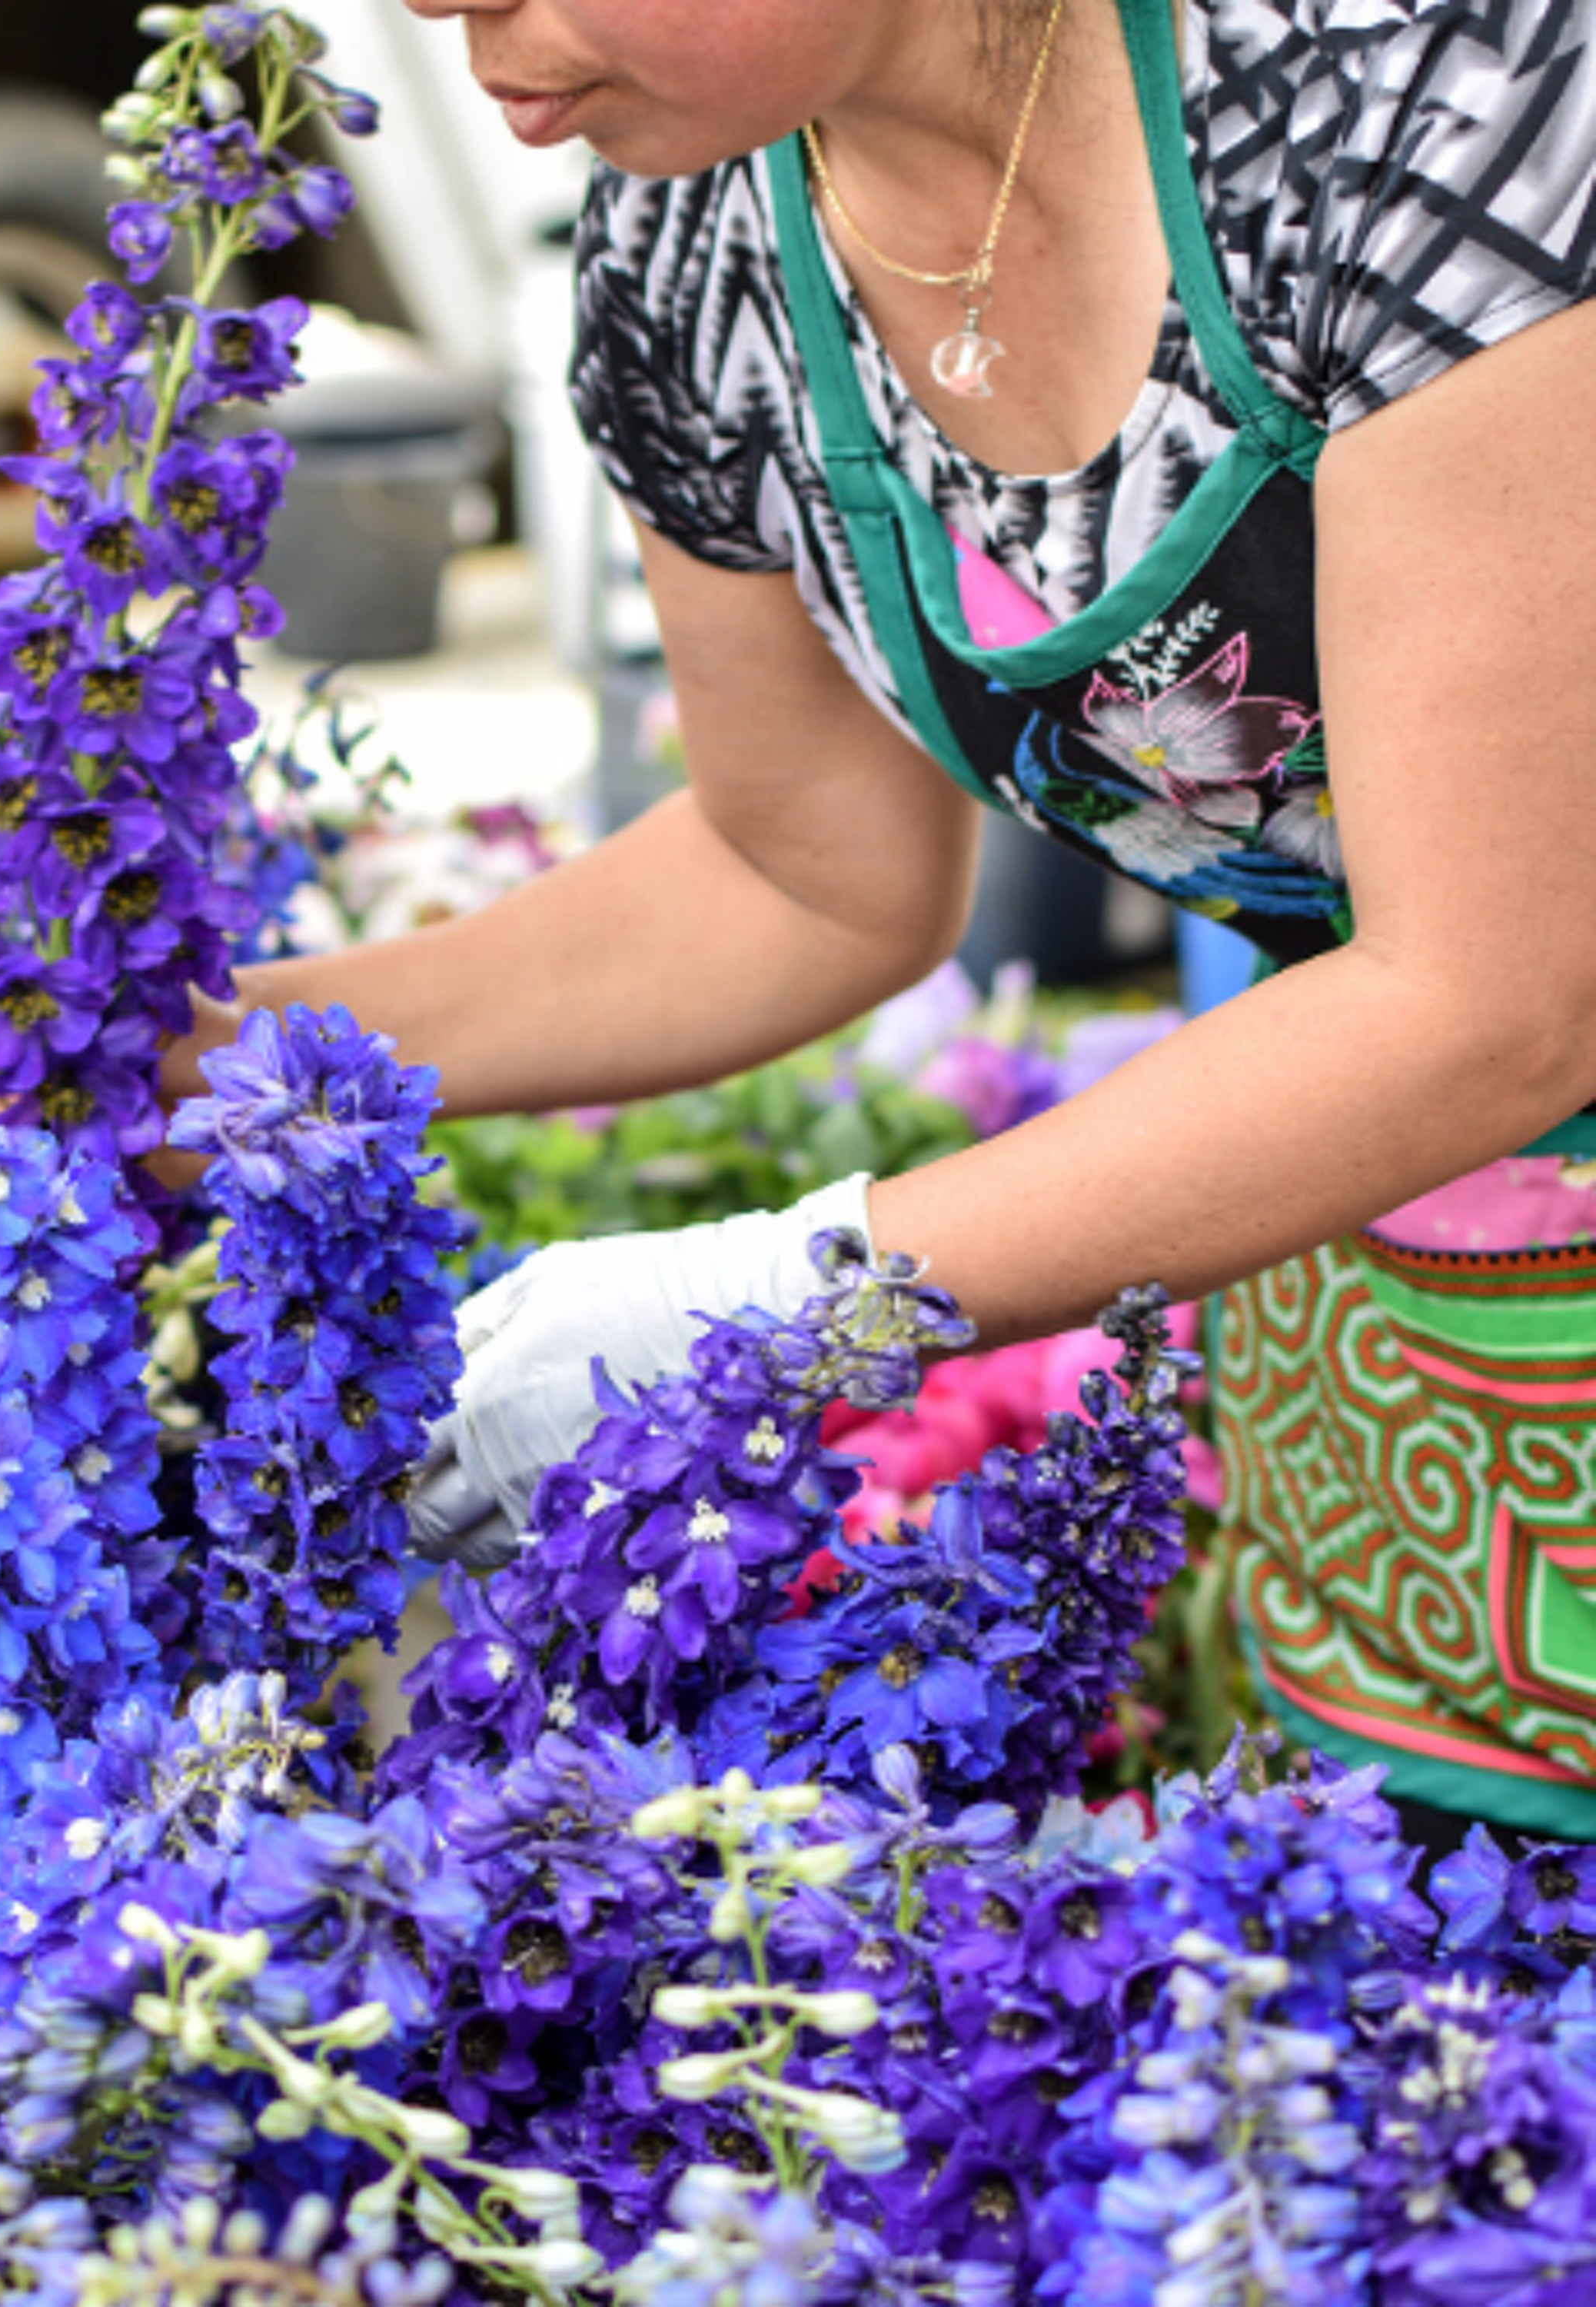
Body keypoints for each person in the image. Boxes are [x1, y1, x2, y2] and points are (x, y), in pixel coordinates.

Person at [163, 0, 1596, 1850]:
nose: (444, 9)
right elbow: (803, 868)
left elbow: (1491, 991)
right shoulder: (699, 243)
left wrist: (793, 1296)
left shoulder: (1420, 88)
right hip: (1406, 1345)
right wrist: (220, 1064)